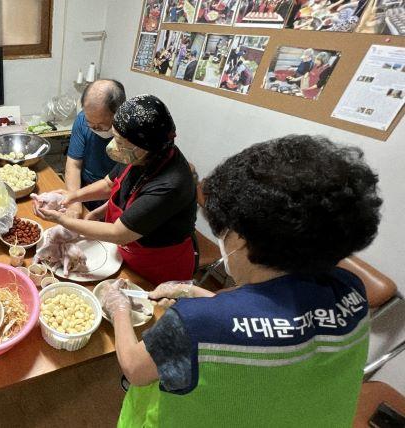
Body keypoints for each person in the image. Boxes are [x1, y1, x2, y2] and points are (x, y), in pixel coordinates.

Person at [101, 135, 381, 427]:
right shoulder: (351, 290)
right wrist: (196, 292)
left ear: (241, 240)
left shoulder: (192, 323)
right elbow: (269, 323)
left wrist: (118, 307)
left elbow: (135, 367)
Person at [35, 95, 197, 286]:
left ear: (144, 146)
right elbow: (109, 184)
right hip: (124, 251)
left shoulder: (170, 184)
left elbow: (118, 233)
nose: (113, 146)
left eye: (120, 141)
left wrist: (61, 219)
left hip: (158, 268)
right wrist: (72, 196)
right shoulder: (140, 156)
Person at [65, 79, 125, 215]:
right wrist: (74, 204)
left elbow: (111, 185)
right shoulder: (82, 120)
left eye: (100, 124)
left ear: (118, 113)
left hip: (116, 194)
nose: (94, 128)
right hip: (86, 189)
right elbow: (73, 165)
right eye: (89, 122)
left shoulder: (130, 134)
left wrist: (97, 214)